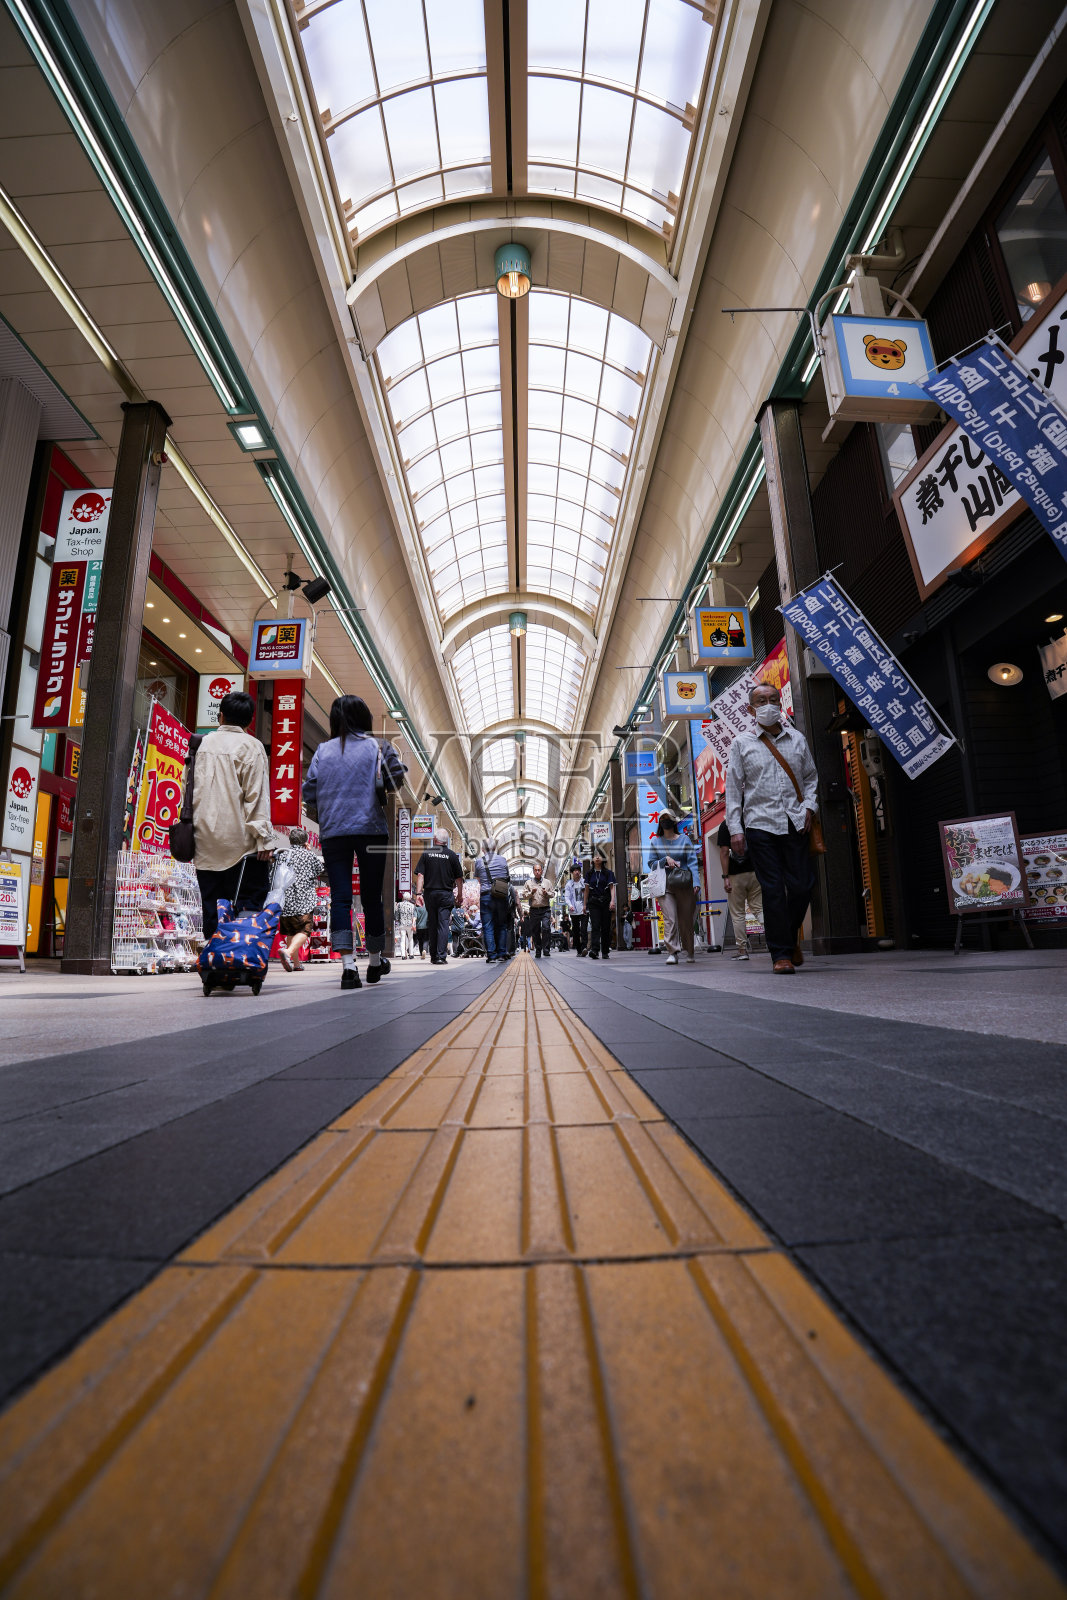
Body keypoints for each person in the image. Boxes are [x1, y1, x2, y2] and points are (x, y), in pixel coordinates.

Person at [302, 694, 406, 991]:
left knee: (341, 897)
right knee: (372, 896)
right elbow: (396, 778)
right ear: (364, 718)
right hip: (371, 828)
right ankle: (374, 961)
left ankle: (348, 967)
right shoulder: (379, 747)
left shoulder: (323, 750)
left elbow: (309, 791)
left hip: (334, 830)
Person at [725, 681, 818, 975]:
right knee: (773, 889)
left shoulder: (797, 739)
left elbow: (811, 778)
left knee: (802, 886)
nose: (768, 705)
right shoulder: (742, 743)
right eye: (761, 701)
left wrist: (810, 807)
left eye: (773, 699)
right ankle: (781, 954)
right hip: (759, 825)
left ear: (780, 703)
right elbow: (733, 789)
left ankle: (788, 939)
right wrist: (735, 829)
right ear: (751, 709)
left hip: (795, 822)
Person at [191, 689, 274, 939]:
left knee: (212, 910)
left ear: (221, 716)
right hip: (241, 845)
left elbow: (188, 790)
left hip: (204, 841)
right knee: (247, 908)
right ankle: (238, 954)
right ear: (250, 720)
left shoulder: (200, 744)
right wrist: (264, 839)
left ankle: (213, 955)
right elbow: (256, 796)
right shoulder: (252, 747)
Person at [649, 812, 699, 965]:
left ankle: (689, 950)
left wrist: (696, 882)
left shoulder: (684, 839)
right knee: (670, 918)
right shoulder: (655, 841)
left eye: (668, 818)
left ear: (674, 821)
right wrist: (665, 859)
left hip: (684, 884)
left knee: (686, 920)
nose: (665, 821)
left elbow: (692, 861)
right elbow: (651, 863)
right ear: (659, 822)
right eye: (662, 819)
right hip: (665, 885)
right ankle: (672, 952)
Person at [276, 827, 324, 971]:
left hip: (286, 900)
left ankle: (296, 964)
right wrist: (308, 851)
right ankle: (288, 952)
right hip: (304, 900)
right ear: (305, 841)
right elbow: (319, 870)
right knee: (304, 930)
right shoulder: (309, 855)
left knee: (291, 932)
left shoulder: (283, 855)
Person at [415, 827, 464, 964]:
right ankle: (442, 956)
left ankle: (433, 956)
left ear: (434, 839)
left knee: (432, 923)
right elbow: (459, 878)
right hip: (446, 894)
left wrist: (418, 893)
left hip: (430, 893)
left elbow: (420, 875)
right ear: (446, 841)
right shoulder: (452, 855)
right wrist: (460, 895)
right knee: (443, 924)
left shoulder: (426, 854)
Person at [717, 817, 763, 961]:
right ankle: (779, 941)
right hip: (755, 872)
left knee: (738, 914)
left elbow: (724, 852)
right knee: (759, 909)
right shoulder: (751, 819)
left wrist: (725, 877)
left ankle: (742, 950)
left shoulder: (725, 825)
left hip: (735, 875)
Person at [473, 838, 511, 963]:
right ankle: (501, 954)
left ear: (483, 849)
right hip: (501, 895)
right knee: (502, 925)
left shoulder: (479, 861)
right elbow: (506, 877)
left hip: (486, 896)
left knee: (488, 926)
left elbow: (479, 879)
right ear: (495, 848)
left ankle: (491, 955)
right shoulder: (503, 860)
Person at [584, 850, 616, 960]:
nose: (597, 858)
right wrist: (584, 905)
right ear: (592, 860)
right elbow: (586, 890)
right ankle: (595, 950)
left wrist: (612, 901)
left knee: (606, 927)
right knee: (595, 926)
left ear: (603, 859)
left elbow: (612, 888)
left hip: (606, 901)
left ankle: (605, 951)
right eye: (595, 856)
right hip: (593, 902)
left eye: (599, 856)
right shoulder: (589, 874)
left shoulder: (608, 873)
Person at [524, 862, 552, 957]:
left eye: (539, 870)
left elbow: (553, 893)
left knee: (546, 928)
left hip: (545, 909)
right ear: (533, 871)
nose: (537, 872)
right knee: (535, 930)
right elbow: (524, 895)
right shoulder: (528, 883)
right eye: (535, 870)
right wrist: (531, 892)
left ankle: (546, 949)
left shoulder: (547, 882)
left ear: (542, 871)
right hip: (534, 910)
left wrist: (547, 893)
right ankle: (538, 950)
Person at [564, 864, 588, 954]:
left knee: (584, 929)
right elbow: (567, 897)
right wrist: (570, 905)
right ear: (572, 873)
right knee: (576, 930)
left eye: (578, 870)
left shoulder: (584, 882)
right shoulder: (569, 884)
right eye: (575, 870)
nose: (577, 872)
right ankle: (579, 950)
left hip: (584, 909)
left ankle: (584, 947)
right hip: (574, 911)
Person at [395, 890, 416, 960]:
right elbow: (414, 915)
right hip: (410, 924)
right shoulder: (412, 905)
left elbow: (396, 915)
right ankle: (411, 954)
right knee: (410, 939)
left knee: (402, 939)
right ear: (409, 897)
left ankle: (403, 955)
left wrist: (398, 920)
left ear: (403, 897)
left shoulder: (399, 904)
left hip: (402, 924)